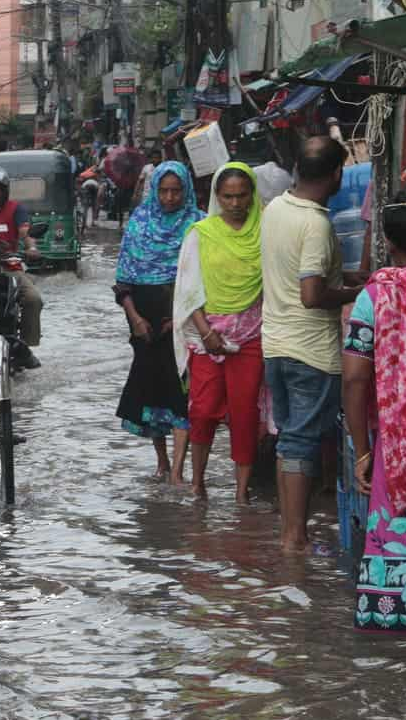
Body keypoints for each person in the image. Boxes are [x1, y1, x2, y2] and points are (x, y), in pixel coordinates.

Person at [260, 136, 360, 553]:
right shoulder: (317, 224)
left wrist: (347, 279)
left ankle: (291, 534)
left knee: (289, 439)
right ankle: (295, 538)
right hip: (310, 351)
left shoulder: (275, 208)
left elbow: (295, 272)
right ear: (337, 174)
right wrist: (357, 292)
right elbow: (312, 294)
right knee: (300, 442)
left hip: (275, 345)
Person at [344, 183, 406, 632]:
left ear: (387, 241)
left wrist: (362, 449)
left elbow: (354, 377)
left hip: (396, 441)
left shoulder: (375, 297)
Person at [172, 162, 265, 502]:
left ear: (252, 195)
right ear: (217, 197)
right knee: (202, 410)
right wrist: (206, 332)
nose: (235, 204)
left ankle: (241, 491)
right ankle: (198, 482)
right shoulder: (201, 233)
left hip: (251, 335)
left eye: (242, 196)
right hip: (206, 336)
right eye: (228, 197)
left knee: (245, 413)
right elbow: (189, 289)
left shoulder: (266, 231)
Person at [114, 161, 204, 482]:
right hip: (145, 324)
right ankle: (162, 462)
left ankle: (178, 471)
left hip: (185, 321)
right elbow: (123, 281)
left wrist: (179, 319)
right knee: (152, 391)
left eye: (176, 191)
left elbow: (204, 280)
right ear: (154, 191)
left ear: (186, 190)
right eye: (164, 191)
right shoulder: (139, 223)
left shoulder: (198, 225)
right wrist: (136, 318)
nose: (169, 197)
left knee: (181, 392)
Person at [0, 164, 43, 369]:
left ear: (4, 191)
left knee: (33, 299)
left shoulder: (16, 209)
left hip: (7, 266)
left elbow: (26, 233)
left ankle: (25, 347)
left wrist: (31, 248)